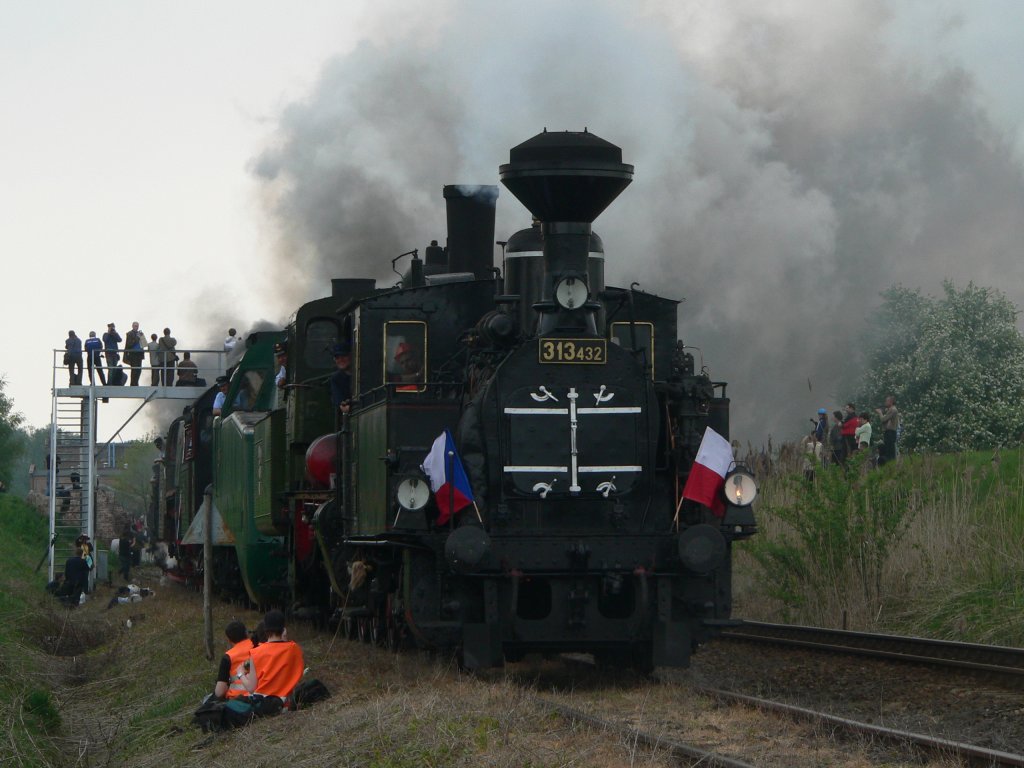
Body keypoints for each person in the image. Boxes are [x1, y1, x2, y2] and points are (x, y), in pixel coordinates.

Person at [240, 609, 304, 709]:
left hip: (263, 703)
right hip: (286, 702)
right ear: (283, 629)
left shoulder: (256, 652)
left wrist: (240, 674)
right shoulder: (294, 648)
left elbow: (251, 688)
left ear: (265, 628)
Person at [214, 621, 255, 700]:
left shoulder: (228, 656)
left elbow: (219, 692)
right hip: (261, 695)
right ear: (246, 633)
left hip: (237, 699)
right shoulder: (259, 646)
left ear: (229, 639)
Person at [329, 343, 352, 422]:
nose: (341, 360)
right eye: (337, 357)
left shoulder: (363, 374)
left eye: (344, 356)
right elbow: (339, 400)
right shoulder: (336, 379)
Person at [876, 395, 900, 465]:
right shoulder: (891, 410)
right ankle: (890, 464)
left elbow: (883, 419)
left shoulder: (893, 410)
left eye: (887, 401)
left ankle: (891, 464)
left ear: (891, 402)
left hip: (890, 433)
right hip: (889, 433)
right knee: (888, 450)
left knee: (890, 451)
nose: (885, 402)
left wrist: (880, 413)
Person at [124, 321, 145, 386]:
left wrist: (142, 337)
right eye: (135, 326)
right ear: (132, 326)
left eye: (137, 326)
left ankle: (136, 382)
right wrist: (137, 338)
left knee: (139, 370)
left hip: (139, 354)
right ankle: (133, 384)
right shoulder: (129, 334)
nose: (137, 327)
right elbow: (129, 344)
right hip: (133, 354)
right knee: (134, 370)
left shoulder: (140, 333)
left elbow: (144, 344)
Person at [273, 342, 287, 407]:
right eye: (279, 357)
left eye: (283, 356)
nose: (281, 359)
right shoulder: (284, 368)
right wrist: (279, 382)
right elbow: (278, 378)